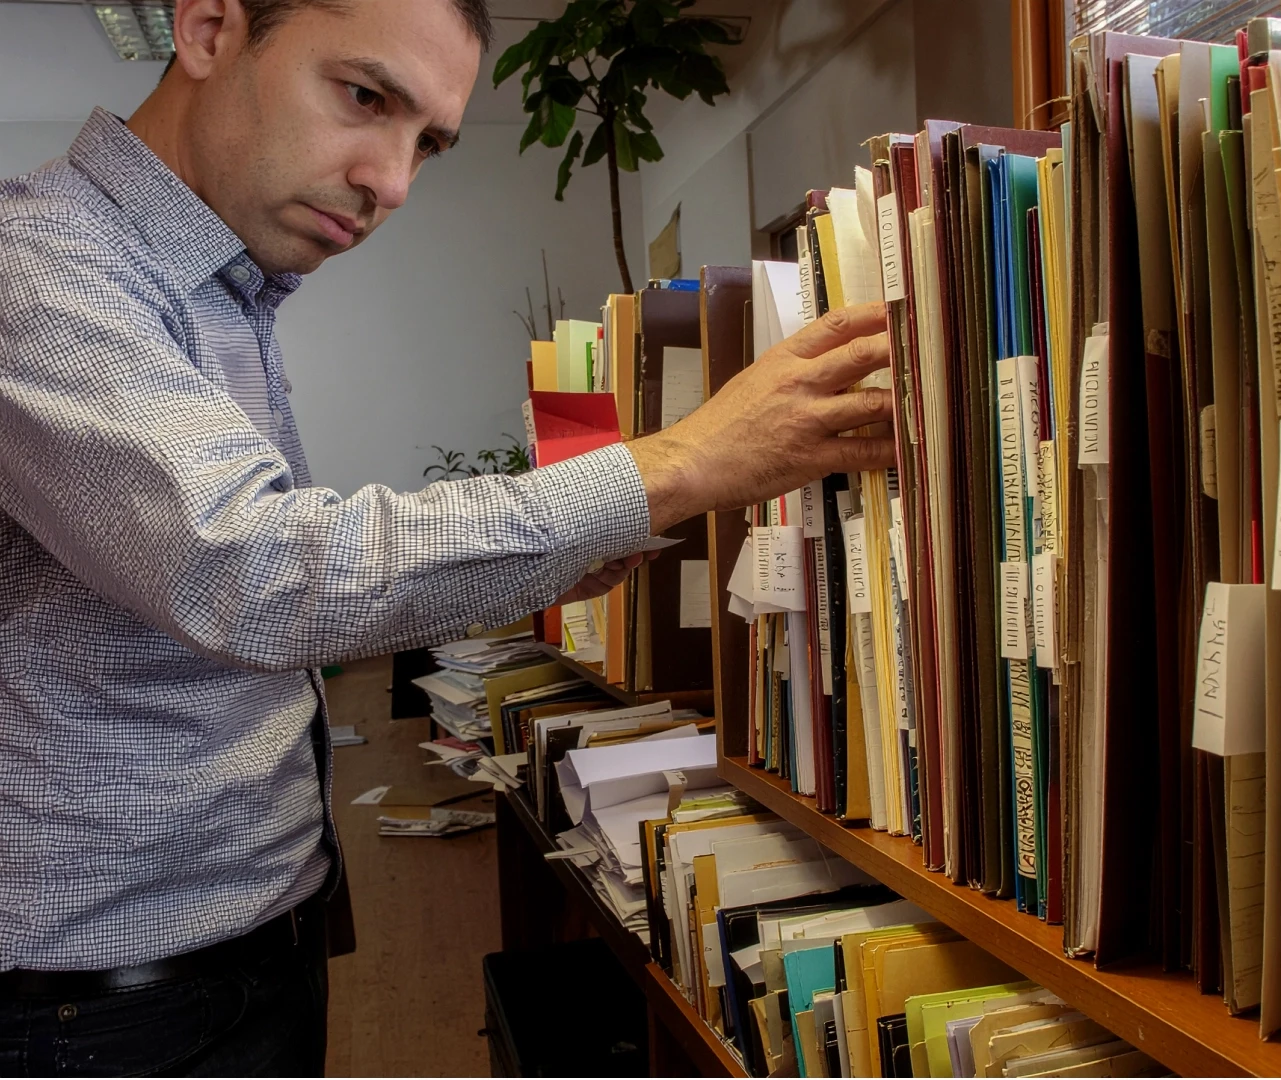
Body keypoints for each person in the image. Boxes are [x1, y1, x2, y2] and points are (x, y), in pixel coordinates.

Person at [0, 0, 895, 1073]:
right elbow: (257, 570)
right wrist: (686, 460)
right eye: (365, 97)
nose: (392, 183)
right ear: (205, 29)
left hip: (238, 950)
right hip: (108, 1010)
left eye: (426, 141)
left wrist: (583, 533)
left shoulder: (229, 289)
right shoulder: (41, 266)